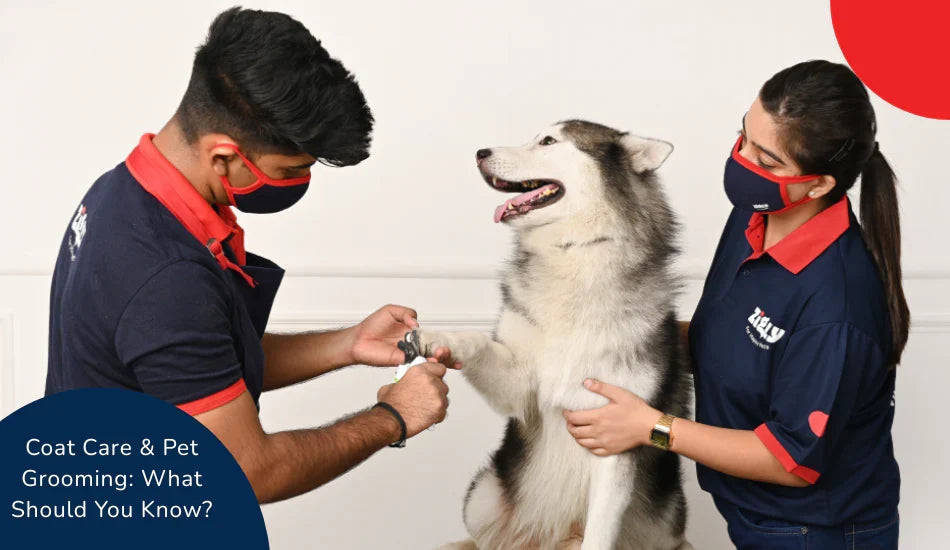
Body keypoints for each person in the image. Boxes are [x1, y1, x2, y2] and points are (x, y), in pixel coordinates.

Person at [46, 7, 455, 503]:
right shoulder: (167, 274)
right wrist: (394, 417)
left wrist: (348, 344)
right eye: (289, 170)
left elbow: (195, 361)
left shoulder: (120, 193)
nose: (298, 183)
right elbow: (245, 471)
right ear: (224, 157)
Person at [562, 60, 905, 548]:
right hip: (752, 515)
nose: (743, 162)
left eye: (766, 162)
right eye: (743, 137)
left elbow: (790, 461)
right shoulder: (754, 217)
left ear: (820, 184)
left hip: (815, 532)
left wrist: (650, 427)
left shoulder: (837, 308)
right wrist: (621, 333)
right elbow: (728, 337)